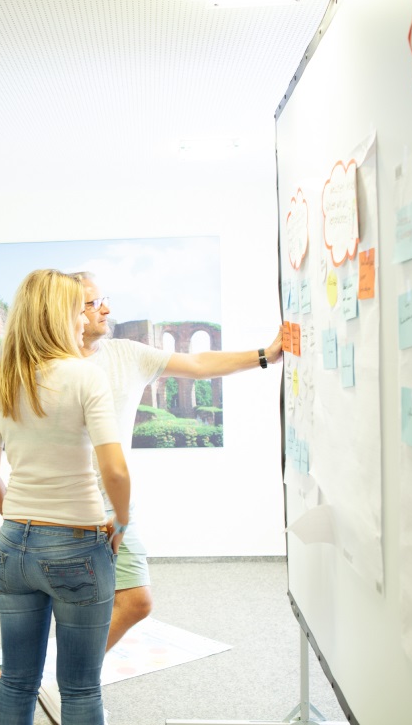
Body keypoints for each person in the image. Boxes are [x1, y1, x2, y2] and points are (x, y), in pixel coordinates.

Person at [75, 272, 284, 651]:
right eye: (92, 303)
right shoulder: (45, 365)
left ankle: (71, 672)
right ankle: (62, 676)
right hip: (60, 506)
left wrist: (264, 356)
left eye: (103, 298)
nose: (106, 308)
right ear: (66, 312)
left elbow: (199, 363)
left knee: (136, 602)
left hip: (113, 502)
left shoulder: (127, 354)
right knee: (66, 604)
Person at [0, 269, 131, 725]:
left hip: (12, 547)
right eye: (78, 309)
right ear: (57, 315)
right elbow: (116, 471)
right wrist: (120, 521)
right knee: (81, 686)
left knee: (17, 679)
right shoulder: (85, 377)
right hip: (78, 546)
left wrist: (25, 522)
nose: (85, 320)